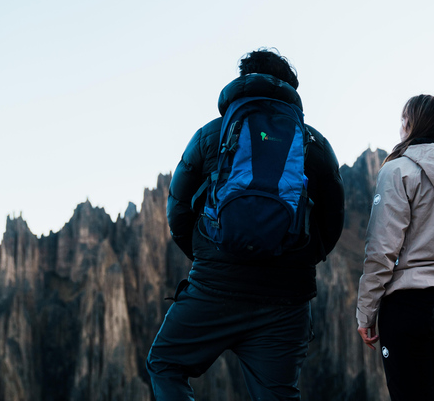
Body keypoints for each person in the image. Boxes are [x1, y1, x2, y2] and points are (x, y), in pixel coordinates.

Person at [147, 49, 345, 401]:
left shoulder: (211, 135)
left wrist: (210, 255)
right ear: (290, 87)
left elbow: (178, 209)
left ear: (243, 79)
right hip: (286, 300)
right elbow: (332, 221)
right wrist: (297, 260)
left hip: (214, 288)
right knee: (278, 395)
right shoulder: (313, 143)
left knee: (165, 364)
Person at [355, 94, 434, 401]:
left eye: (404, 119)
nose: (401, 126)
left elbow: (381, 251)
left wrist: (366, 314)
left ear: (412, 124)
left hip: (408, 305)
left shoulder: (398, 171)